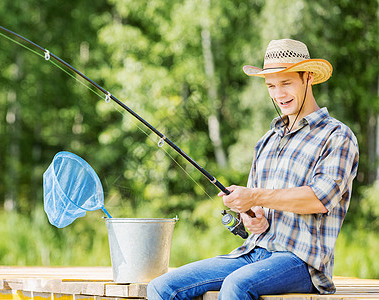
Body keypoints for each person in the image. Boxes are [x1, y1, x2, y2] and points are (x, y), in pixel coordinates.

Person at [147, 39, 359, 300]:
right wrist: (252, 216)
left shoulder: (337, 136)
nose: (278, 94)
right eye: (271, 85)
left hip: (302, 263)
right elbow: (256, 210)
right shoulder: (267, 141)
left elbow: (319, 199)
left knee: (236, 285)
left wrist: (256, 195)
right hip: (253, 253)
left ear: (308, 78)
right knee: (160, 287)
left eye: (286, 83)